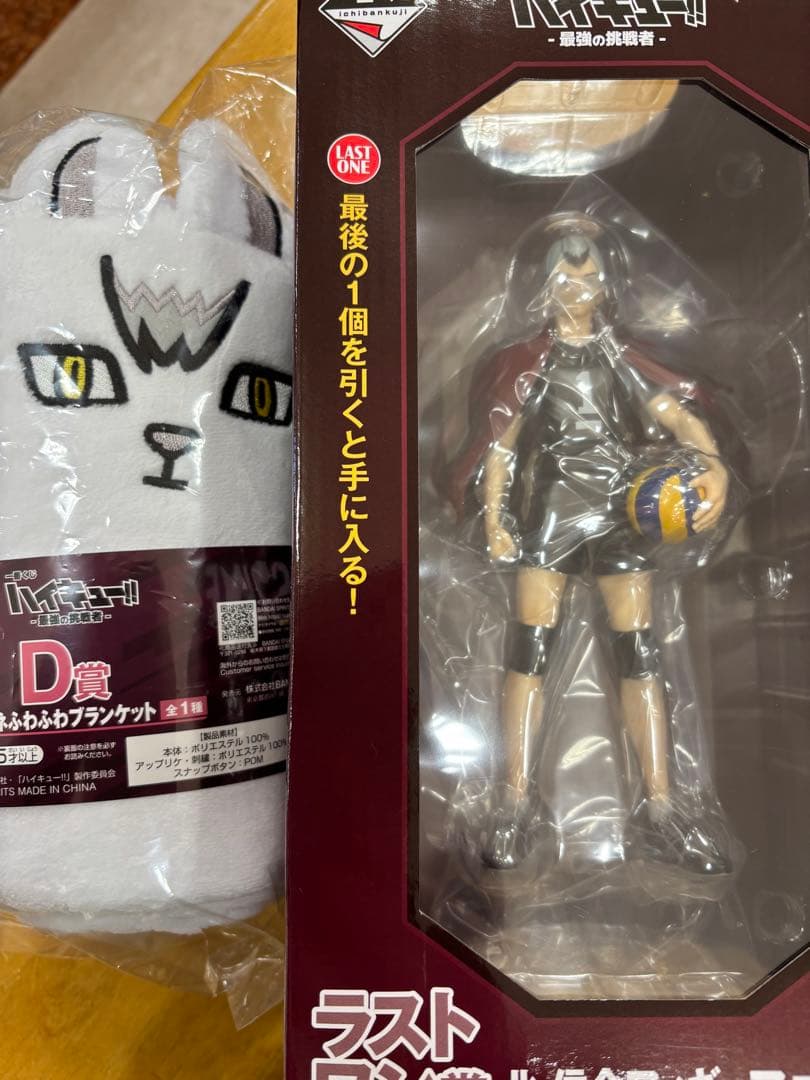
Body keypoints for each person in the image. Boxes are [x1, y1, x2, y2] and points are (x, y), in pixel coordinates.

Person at [467, 216, 732, 875]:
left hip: (620, 511)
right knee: (529, 651)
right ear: (546, 285)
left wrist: (712, 464)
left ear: (606, 283)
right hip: (551, 513)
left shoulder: (620, 358)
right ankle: (513, 800)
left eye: (587, 279)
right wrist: (495, 517)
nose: (577, 290)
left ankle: (662, 807)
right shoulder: (530, 361)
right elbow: (501, 444)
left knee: (638, 652)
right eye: (565, 279)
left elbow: (673, 413)